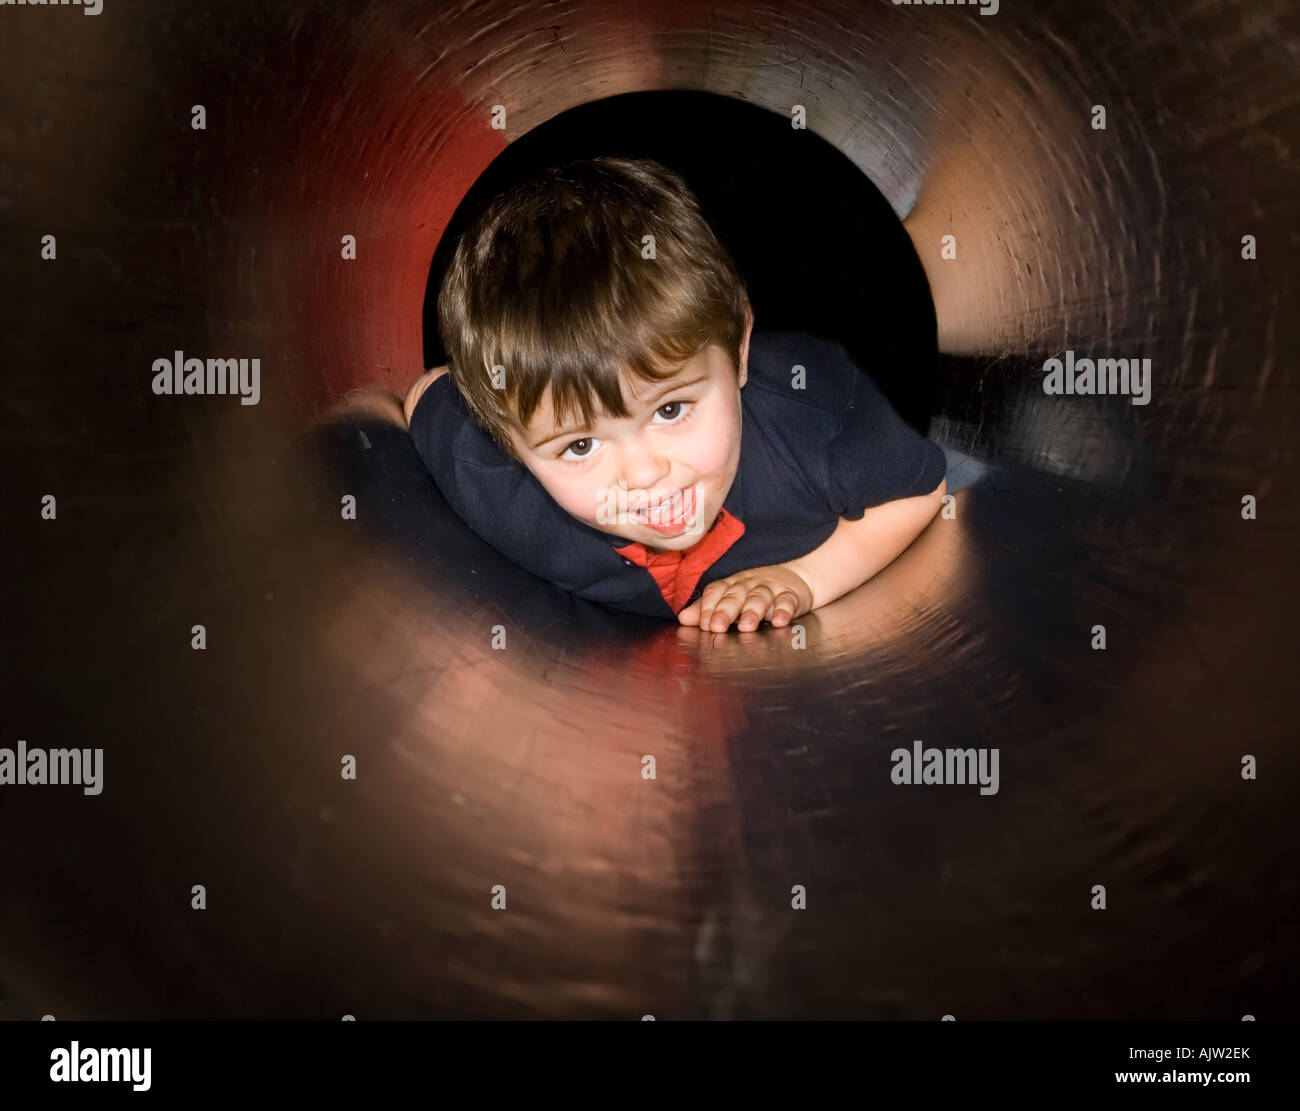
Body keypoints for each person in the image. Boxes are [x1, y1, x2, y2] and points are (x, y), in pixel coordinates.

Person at [404, 157, 947, 631]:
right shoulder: (492, 480)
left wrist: (803, 577)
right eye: (579, 446)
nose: (642, 476)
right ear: (505, 439)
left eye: (670, 409)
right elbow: (426, 395)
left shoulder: (814, 428)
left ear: (738, 352)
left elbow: (920, 489)